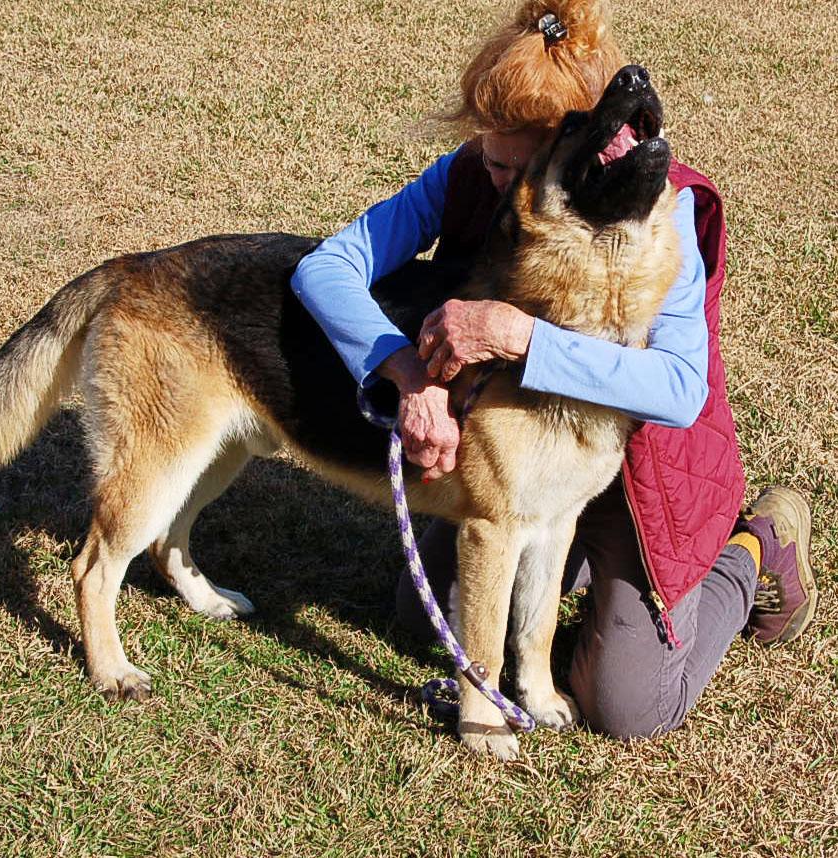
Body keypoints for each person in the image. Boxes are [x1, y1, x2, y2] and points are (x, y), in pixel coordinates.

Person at [289, 0, 818, 739]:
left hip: (646, 468)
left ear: (579, 151)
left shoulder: (659, 214)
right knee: (426, 615)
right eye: (489, 158)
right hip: (525, 456)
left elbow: (677, 389)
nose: (495, 179)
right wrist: (404, 371)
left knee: (628, 708)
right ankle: (569, 567)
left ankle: (756, 546)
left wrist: (520, 337)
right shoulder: (476, 170)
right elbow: (327, 269)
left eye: (515, 165)